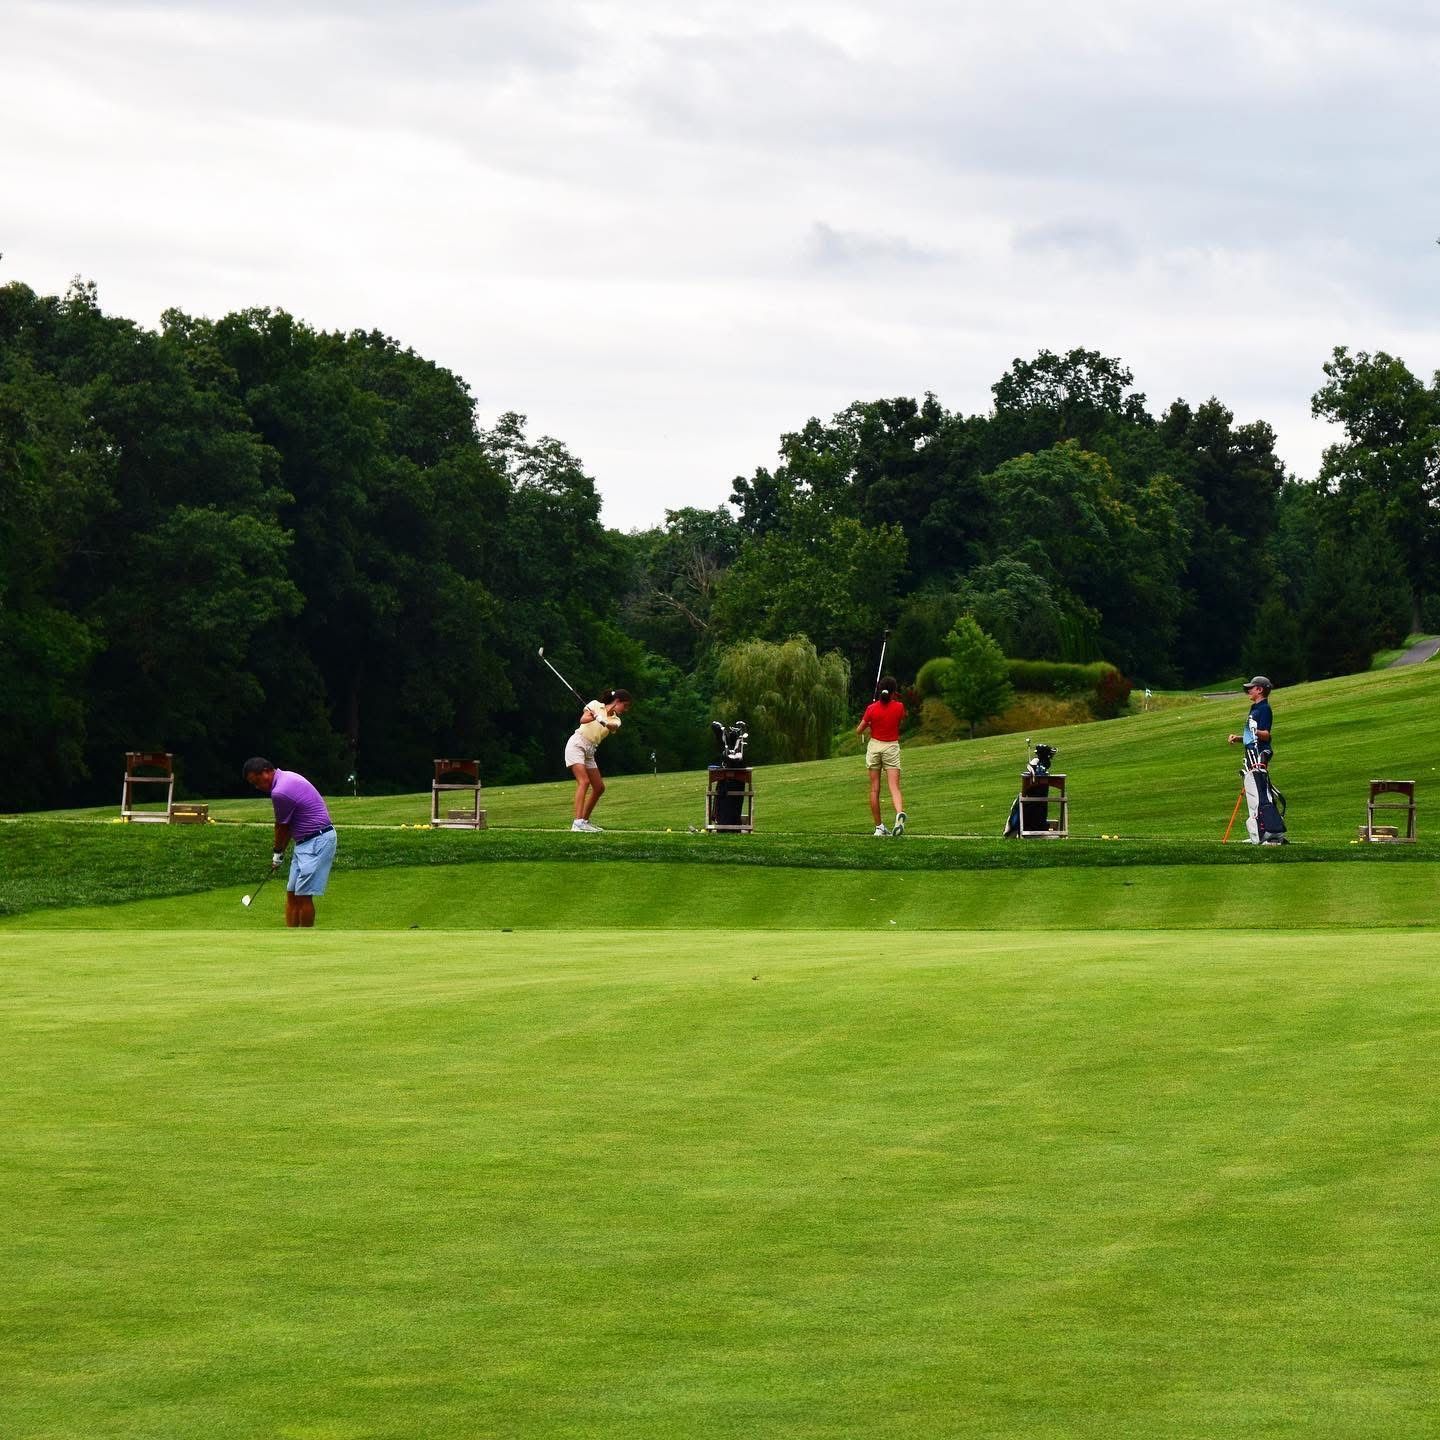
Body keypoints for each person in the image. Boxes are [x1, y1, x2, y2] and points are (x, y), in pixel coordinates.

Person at [242, 758, 338, 925]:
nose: (258, 787)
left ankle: (304, 942)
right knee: (292, 893)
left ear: (266, 771)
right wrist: (279, 854)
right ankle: (290, 940)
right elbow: (287, 826)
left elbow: (281, 827)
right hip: (304, 842)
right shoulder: (285, 778)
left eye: (258, 781)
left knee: (303, 895)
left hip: (318, 840)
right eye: (254, 784)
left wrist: (277, 853)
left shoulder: (280, 791)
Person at [1227, 675, 1284, 845]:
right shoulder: (1254, 708)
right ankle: (1258, 832)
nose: (1248, 691)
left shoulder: (1264, 708)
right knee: (1253, 792)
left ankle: (1267, 831)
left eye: (1251, 688)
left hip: (1259, 754)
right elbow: (1250, 736)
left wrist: (1255, 731)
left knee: (1260, 792)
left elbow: (1266, 734)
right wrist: (1238, 738)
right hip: (1251, 754)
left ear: (1259, 690)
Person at [566, 689, 632, 832]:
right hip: (577, 744)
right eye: (625, 706)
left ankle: (584, 820)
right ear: (617, 701)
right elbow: (582, 720)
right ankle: (577, 823)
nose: (625, 710)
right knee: (584, 781)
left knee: (599, 787)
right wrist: (594, 717)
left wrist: (604, 722)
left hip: (590, 751)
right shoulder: (595, 705)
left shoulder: (616, 719)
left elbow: (613, 727)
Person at [855, 675, 907, 837]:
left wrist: (870, 721)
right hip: (891, 747)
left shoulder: (871, 709)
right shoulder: (899, 707)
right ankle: (899, 813)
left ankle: (879, 827)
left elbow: (859, 730)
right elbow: (900, 721)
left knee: (875, 789)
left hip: (875, 747)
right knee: (894, 787)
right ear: (893, 692)